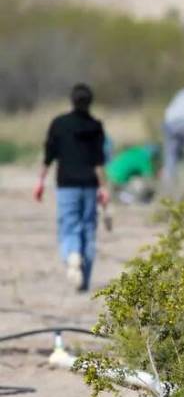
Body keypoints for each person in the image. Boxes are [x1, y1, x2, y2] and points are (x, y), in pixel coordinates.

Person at [33, 83, 108, 293]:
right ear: (90, 102)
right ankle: (84, 283)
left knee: (69, 226)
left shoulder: (59, 124)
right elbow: (99, 162)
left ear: (72, 101)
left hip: (66, 184)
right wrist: (104, 188)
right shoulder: (96, 126)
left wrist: (40, 181)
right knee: (88, 230)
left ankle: (72, 255)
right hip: (90, 185)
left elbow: (49, 156)